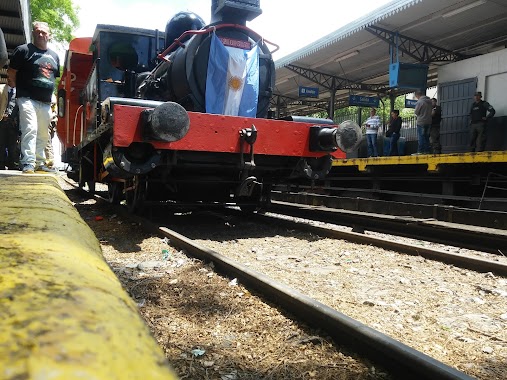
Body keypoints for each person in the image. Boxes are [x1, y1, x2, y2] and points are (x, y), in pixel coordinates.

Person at [7, 21, 60, 174]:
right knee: (30, 128)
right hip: (26, 98)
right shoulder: (23, 50)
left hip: (45, 101)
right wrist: (18, 90)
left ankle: (39, 162)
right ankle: (28, 163)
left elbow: (52, 78)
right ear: (33, 33)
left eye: (43, 32)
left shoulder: (55, 56)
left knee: (44, 133)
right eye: (37, 31)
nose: (40, 34)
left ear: (49, 35)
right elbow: (11, 72)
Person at [0, 77, 19, 169]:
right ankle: (1, 164)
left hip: (13, 122)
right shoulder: (1, 88)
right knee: (1, 143)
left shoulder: (19, 91)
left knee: (13, 145)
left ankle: (12, 164)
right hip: (2, 120)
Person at [414, 89, 432, 154]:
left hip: (421, 121)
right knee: (426, 136)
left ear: (417, 95)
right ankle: (427, 150)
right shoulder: (429, 101)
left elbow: (416, 112)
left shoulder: (420, 102)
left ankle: (420, 151)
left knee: (421, 136)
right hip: (429, 121)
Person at [44, 93, 57, 168]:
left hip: (49, 120)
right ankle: (49, 160)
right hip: (52, 120)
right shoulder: (52, 95)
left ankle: (50, 161)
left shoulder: (50, 95)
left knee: (47, 141)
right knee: (48, 141)